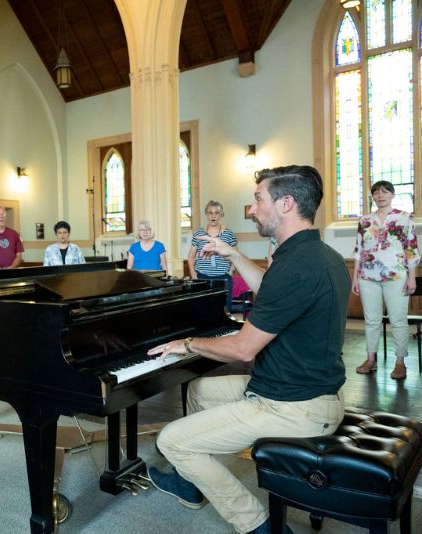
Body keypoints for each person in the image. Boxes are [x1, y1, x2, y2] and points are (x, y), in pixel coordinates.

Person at [145, 166, 349, 534]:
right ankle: (191, 485)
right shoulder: (317, 255)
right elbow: (269, 289)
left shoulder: (297, 266)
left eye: (258, 199)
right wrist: (232, 254)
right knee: (199, 390)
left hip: (293, 406)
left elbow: (242, 349)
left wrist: (187, 343)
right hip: (297, 389)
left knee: (171, 440)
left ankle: (261, 526)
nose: (252, 209)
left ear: (286, 204)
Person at [351, 181, 419, 380]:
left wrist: (412, 278)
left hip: (396, 276)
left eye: (385, 191)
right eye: (376, 192)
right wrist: (355, 277)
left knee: (398, 320)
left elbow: (411, 249)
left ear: (392, 194)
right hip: (367, 277)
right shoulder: (365, 221)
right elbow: (358, 250)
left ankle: (400, 362)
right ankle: (370, 358)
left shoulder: (404, 218)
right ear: (372, 196)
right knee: (371, 320)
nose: (380, 195)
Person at [187, 201, 237, 310]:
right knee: (202, 309)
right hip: (202, 277)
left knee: (223, 310)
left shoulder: (229, 234)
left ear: (221, 215)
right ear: (206, 214)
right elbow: (191, 256)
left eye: (217, 213)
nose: (213, 215)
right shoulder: (198, 234)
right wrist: (194, 275)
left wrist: (230, 272)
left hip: (223, 278)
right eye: (210, 212)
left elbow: (235, 256)